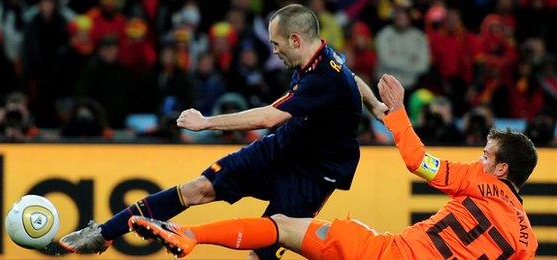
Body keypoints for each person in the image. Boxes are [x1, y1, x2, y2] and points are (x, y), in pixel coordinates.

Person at [59, 4, 387, 259]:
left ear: (296, 40)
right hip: (285, 147)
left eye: (276, 44)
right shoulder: (324, 56)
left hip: (314, 174)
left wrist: (206, 123)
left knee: (263, 250)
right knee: (197, 188)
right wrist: (374, 104)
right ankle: (103, 233)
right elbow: (352, 78)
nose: (274, 51)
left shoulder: (323, 78)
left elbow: (269, 117)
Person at [128, 75, 538, 259]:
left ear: (500, 170)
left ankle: (191, 234)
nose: (479, 159)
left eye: (486, 155)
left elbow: (419, 162)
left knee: (284, 226)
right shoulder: (526, 241)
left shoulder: (478, 181)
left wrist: (396, 114)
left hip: (383, 254)